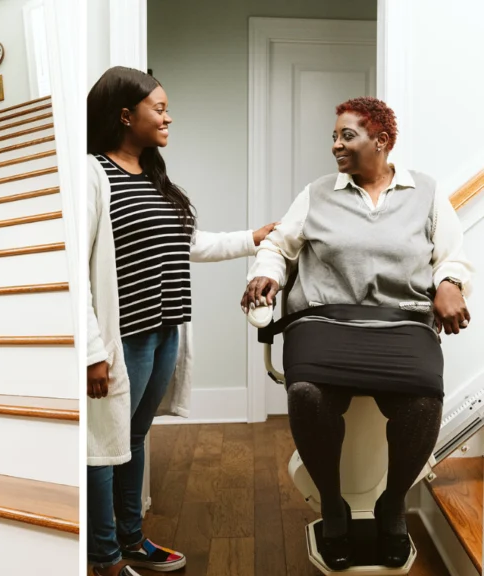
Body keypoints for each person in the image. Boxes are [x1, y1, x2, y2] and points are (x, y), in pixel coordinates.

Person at [242, 96, 473, 570]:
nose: (335, 146)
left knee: (424, 401)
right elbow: (279, 247)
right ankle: (332, 504)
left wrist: (449, 283)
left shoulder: (425, 193)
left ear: (381, 141)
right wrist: (264, 273)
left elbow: (451, 254)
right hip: (325, 321)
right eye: (334, 136)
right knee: (307, 393)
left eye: (346, 136)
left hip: (402, 323)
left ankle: (392, 506)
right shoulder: (318, 193)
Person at [86, 66, 276, 576]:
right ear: (126, 115)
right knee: (104, 446)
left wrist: (253, 237)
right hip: (121, 338)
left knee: (133, 437)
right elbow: (75, 271)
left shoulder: (153, 177)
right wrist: (91, 353)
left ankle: (131, 540)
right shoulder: (91, 175)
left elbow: (189, 243)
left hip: (165, 329)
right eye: (160, 108)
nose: (169, 116)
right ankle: (103, 558)